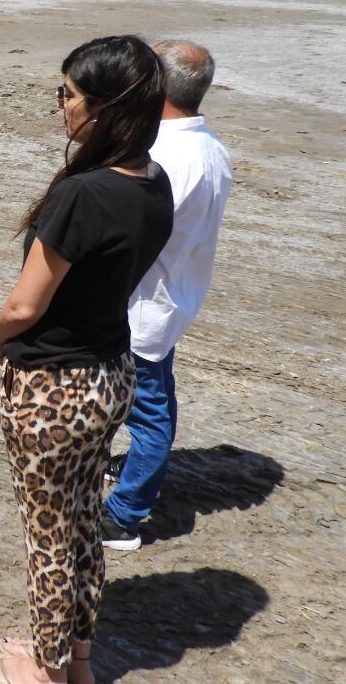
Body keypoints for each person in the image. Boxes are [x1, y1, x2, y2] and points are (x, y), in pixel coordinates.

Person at [0, 36, 173, 684]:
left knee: (49, 540)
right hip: (111, 376)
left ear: (104, 108)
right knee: (84, 523)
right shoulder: (154, 183)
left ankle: (45, 671)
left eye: (68, 94)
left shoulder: (85, 194)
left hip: (55, 389)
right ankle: (76, 661)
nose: (60, 105)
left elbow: (25, 305)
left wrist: (0, 338)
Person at [101, 40, 232, 551]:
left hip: (143, 304)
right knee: (155, 397)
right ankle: (132, 471)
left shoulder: (163, 157)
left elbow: (128, 240)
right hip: (173, 297)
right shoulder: (212, 148)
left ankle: (125, 515)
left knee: (149, 411)